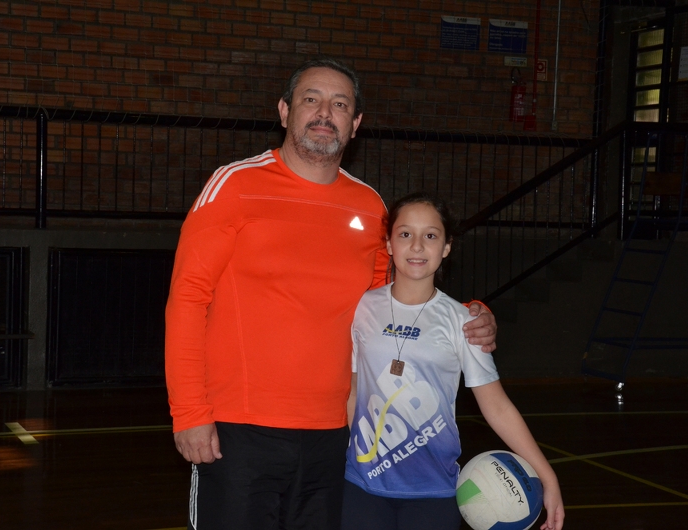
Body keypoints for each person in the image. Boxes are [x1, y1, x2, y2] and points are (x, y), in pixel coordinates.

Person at [164, 58, 498, 530]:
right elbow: (187, 299)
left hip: (335, 435)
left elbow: (395, 303)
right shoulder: (234, 185)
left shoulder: (370, 207)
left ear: (355, 123)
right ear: (285, 111)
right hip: (236, 430)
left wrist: (470, 315)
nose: (325, 113)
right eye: (311, 99)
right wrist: (189, 413)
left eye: (340, 104)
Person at [342, 191, 564, 530]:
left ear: (446, 247)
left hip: (433, 492)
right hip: (362, 486)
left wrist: (548, 477)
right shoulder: (362, 308)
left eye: (431, 236)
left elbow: (497, 407)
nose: (417, 246)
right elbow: (354, 390)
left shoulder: (463, 321)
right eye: (405, 234)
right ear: (388, 244)